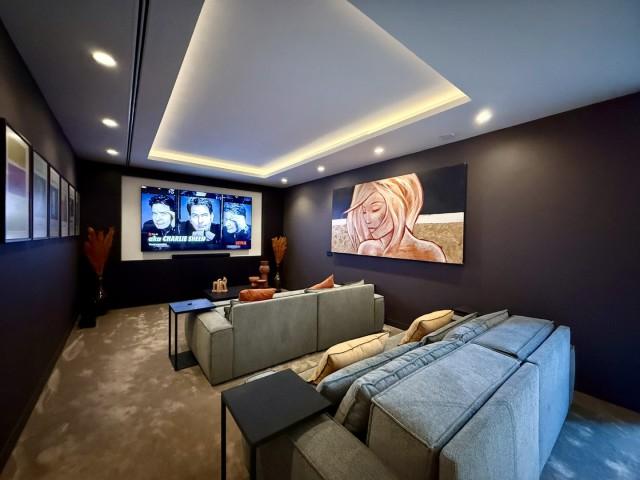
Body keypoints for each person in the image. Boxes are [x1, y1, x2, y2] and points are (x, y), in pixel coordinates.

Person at [344, 173, 446, 262]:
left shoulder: (429, 252)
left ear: (398, 207)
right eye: (363, 212)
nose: (367, 220)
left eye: (375, 209)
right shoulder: (367, 249)